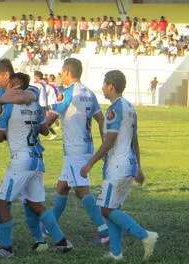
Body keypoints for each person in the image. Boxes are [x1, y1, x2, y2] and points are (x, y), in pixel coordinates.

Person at [0, 73, 73, 257]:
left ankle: (6, 248)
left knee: (2, 203)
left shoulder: (8, 106)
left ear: (12, 85)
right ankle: (61, 241)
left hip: (21, 159)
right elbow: (44, 130)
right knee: (36, 204)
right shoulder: (36, 105)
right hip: (37, 158)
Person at [80, 70, 158, 261]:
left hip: (118, 166)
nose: (102, 88)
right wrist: (138, 166)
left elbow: (110, 141)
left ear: (111, 86)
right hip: (129, 165)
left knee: (105, 209)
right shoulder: (130, 107)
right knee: (112, 208)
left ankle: (145, 235)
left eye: (104, 84)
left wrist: (90, 163)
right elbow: (135, 140)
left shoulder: (114, 109)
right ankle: (116, 253)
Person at [44, 58, 110, 244]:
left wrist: (33, 127)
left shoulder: (67, 93)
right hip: (86, 147)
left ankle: (104, 232)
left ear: (67, 72)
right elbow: (101, 120)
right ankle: (50, 226)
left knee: (82, 190)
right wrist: (104, 145)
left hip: (74, 150)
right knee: (62, 187)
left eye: (61, 72)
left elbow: (50, 119)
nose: (60, 75)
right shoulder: (89, 93)